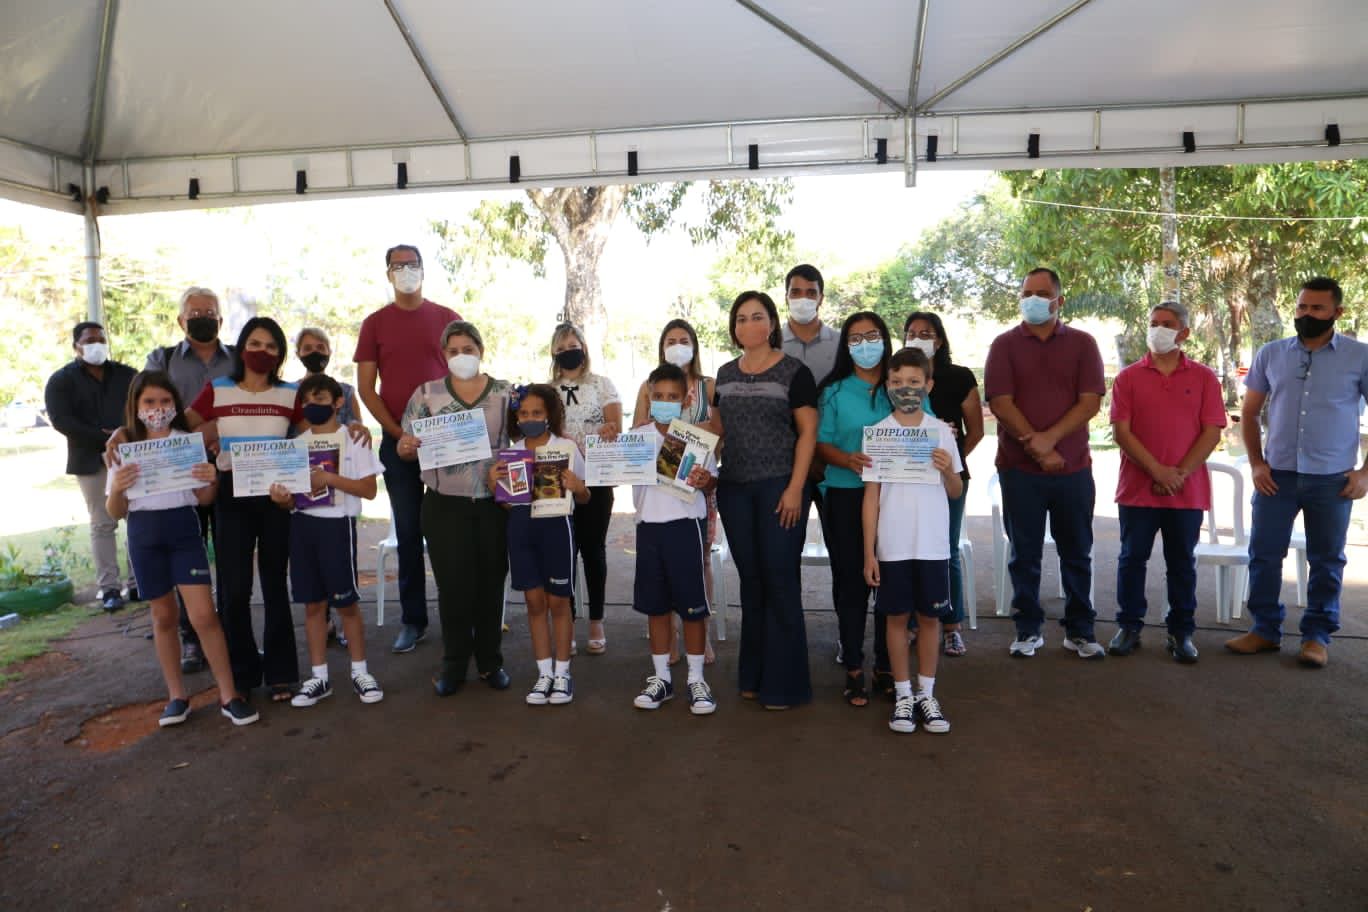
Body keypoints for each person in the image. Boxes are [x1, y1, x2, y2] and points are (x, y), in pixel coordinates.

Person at [1227, 277, 1368, 668]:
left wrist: (1364, 474)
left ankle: (1316, 637)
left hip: (1333, 480)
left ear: (1337, 312)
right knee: (1264, 554)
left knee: (1326, 560)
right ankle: (1264, 630)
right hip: (1278, 476)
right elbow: (1250, 413)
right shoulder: (1271, 354)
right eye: (1302, 307)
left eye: (1317, 308)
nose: (1307, 314)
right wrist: (1257, 463)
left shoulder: (1359, 356)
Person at [104, 370, 257, 727]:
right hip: (143, 535)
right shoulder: (124, 447)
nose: (157, 408)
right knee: (163, 617)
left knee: (204, 616)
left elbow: (204, 498)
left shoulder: (187, 443)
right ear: (136, 405)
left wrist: (210, 481)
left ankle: (229, 695)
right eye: (149, 402)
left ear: (175, 404)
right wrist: (118, 488)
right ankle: (176, 697)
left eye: (165, 401)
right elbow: (115, 511)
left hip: (184, 532)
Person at [984, 268, 1107, 659]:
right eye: (1027, 293)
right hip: (1019, 471)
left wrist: (1049, 440)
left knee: (1077, 552)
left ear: (1059, 301)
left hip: (1073, 469)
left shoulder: (1084, 344)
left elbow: (1090, 401)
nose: (1033, 300)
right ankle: (1027, 629)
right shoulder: (1003, 345)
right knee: (1024, 554)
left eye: (1041, 293)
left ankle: (1080, 630)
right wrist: (1038, 449)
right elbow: (1000, 402)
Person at [712, 291, 818, 709]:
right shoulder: (723, 374)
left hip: (780, 487)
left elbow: (808, 433)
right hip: (734, 489)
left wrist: (795, 488)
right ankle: (753, 675)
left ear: (772, 323)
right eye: (741, 318)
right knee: (752, 580)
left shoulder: (794, 372)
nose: (749, 324)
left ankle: (786, 685)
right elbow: (717, 432)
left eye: (757, 316)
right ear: (734, 328)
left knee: (780, 578)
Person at [186, 317, 301, 700]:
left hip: (276, 497)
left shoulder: (290, 394)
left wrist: (354, 429)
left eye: (271, 346)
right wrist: (210, 435)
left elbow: (315, 435)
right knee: (234, 589)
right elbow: (182, 429)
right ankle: (242, 674)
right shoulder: (218, 389)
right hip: (231, 495)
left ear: (280, 354)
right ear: (241, 347)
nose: (262, 351)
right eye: (255, 343)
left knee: (275, 584)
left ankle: (282, 673)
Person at [397, 321, 513, 696]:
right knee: (453, 587)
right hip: (444, 505)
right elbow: (405, 443)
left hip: (494, 505)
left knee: (491, 584)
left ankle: (490, 661)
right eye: (453, 350)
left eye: (468, 349)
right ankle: (454, 664)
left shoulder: (505, 393)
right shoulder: (426, 394)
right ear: (443, 354)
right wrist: (405, 447)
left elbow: (527, 439)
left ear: (481, 350)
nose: (461, 356)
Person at [355, 244, 460, 655]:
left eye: (411, 264)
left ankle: (458, 615)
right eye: (397, 265)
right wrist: (398, 433)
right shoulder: (374, 324)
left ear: (423, 269)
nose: (405, 271)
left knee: (451, 531)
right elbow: (367, 388)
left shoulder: (447, 318)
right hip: (397, 443)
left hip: (446, 440)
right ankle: (413, 620)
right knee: (409, 532)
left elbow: (464, 377)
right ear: (388, 274)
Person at [1108, 302, 1225, 663]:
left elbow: (1211, 432)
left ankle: (1181, 632)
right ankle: (1129, 626)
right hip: (1137, 489)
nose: (1158, 330)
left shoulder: (1204, 377)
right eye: (1154, 323)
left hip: (1187, 491)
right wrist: (1157, 472)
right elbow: (1121, 432)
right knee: (1132, 559)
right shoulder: (1128, 378)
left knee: (1182, 563)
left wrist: (1178, 475)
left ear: (1184, 333)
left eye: (1167, 324)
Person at [862, 347, 961, 734]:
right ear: (887, 385)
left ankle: (927, 694)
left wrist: (947, 470)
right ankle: (903, 695)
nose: (906, 389)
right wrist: (869, 552)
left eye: (914, 382)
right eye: (898, 381)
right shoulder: (878, 434)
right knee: (896, 619)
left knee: (931, 619)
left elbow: (955, 490)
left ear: (928, 385)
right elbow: (871, 497)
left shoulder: (941, 432)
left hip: (932, 545)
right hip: (893, 546)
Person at [272, 373, 385, 707]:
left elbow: (369, 489)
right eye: (306, 401)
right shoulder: (296, 445)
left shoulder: (354, 439)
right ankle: (319, 677)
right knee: (313, 605)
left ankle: (360, 672)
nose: (312, 406)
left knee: (346, 604)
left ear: (338, 403)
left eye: (320, 399)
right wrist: (281, 499)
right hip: (302, 527)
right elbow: (290, 501)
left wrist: (330, 478)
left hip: (337, 527)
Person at [144, 286, 236, 672]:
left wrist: (219, 434)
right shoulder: (161, 359)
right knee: (187, 557)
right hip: (179, 473)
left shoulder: (239, 359)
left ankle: (231, 634)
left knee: (231, 556)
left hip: (231, 469)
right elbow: (143, 406)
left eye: (209, 312)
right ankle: (191, 639)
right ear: (180, 320)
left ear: (220, 319)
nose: (202, 318)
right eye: (194, 313)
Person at [629, 363, 719, 715]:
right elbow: (607, 467)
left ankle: (696, 679)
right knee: (656, 607)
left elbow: (711, 481)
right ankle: (661, 678)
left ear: (685, 400)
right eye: (659, 396)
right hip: (648, 527)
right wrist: (607, 440)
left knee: (693, 607)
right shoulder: (636, 437)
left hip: (685, 527)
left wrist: (706, 481)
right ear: (649, 397)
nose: (664, 402)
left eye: (672, 397)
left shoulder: (696, 438)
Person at [815, 311, 893, 707]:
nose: (865, 345)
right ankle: (854, 667)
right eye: (856, 338)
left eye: (872, 336)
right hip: (845, 495)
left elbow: (924, 428)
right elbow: (821, 444)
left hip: (896, 499)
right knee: (851, 583)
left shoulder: (901, 385)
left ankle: (886, 666)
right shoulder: (833, 392)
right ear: (846, 346)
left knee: (890, 582)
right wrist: (847, 460)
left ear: (885, 339)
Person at [496, 383, 590, 706]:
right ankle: (544, 673)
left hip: (557, 528)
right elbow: (509, 503)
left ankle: (563, 673)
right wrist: (495, 485)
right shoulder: (513, 452)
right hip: (521, 530)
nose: (530, 418)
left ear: (549, 414)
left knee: (559, 603)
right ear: (516, 417)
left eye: (537, 412)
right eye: (524, 413)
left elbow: (585, 496)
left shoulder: (566, 447)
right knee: (534, 603)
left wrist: (578, 487)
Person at [904, 311, 985, 657]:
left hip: (949, 479)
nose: (918, 338)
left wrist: (951, 460)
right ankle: (910, 624)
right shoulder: (899, 376)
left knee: (946, 550)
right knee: (908, 550)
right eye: (912, 332)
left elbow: (976, 431)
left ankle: (951, 627)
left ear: (939, 340)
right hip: (906, 477)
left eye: (926, 333)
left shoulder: (959, 377)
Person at [45, 321, 137, 612]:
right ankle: (109, 588)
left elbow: (142, 407)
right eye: (89, 341)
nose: (97, 345)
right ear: (76, 347)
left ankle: (139, 582)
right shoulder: (61, 380)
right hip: (90, 459)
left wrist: (124, 435)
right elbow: (61, 421)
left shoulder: (127, 374)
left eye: (101, 339)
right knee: (102, 523)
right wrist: (104, 438)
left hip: (130, 454)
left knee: (137, 517)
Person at [550, 323, 621, 655]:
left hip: (597, 477)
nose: (568, 352)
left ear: (584, 347)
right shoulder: (547, 390)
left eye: (573, 345)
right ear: (553, 353)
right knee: (564, 550)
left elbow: (615, 427)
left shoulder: (603, 385)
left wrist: (609, 429)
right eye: (561, 348)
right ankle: (568, 620)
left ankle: (597, 620)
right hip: (558, 478)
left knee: (593, 550)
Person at [296, 327, 359, 427]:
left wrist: (355, 426)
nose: (314, 352)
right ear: (298, 354)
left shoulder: (346, 392)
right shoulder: (289, 391)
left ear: (329, 352)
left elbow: (356, 427)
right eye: (307, 348)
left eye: (320, 347)